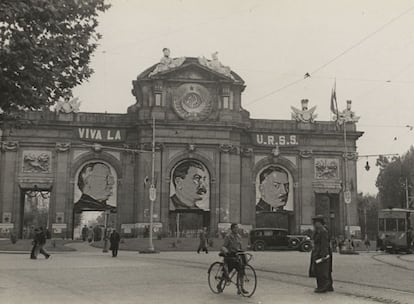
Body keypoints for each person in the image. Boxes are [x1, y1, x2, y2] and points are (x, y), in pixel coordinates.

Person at [219, 223, 248, 294]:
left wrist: (243, 253)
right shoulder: (228, 236)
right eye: (235, 228)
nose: (236, 229)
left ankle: (240, 288)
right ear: (232, 229)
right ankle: (219, 284)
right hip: (230, 256)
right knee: (227, 272)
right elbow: (223, 246)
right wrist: (227, 251)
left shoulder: (239, 237)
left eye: (237, 228)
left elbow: (240, 247)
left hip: (237, 256)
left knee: (241, 271)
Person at [309, 215, 332, 293]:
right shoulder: (318, 231)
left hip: (321, 253)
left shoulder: (323, 231)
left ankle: (322, 286)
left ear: (320, 223)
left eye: (316, 222)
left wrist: (323, 255)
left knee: (322, 270)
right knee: (320, 270)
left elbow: (324, 244)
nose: (314, 224)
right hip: (317, 252)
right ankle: (326, 286)